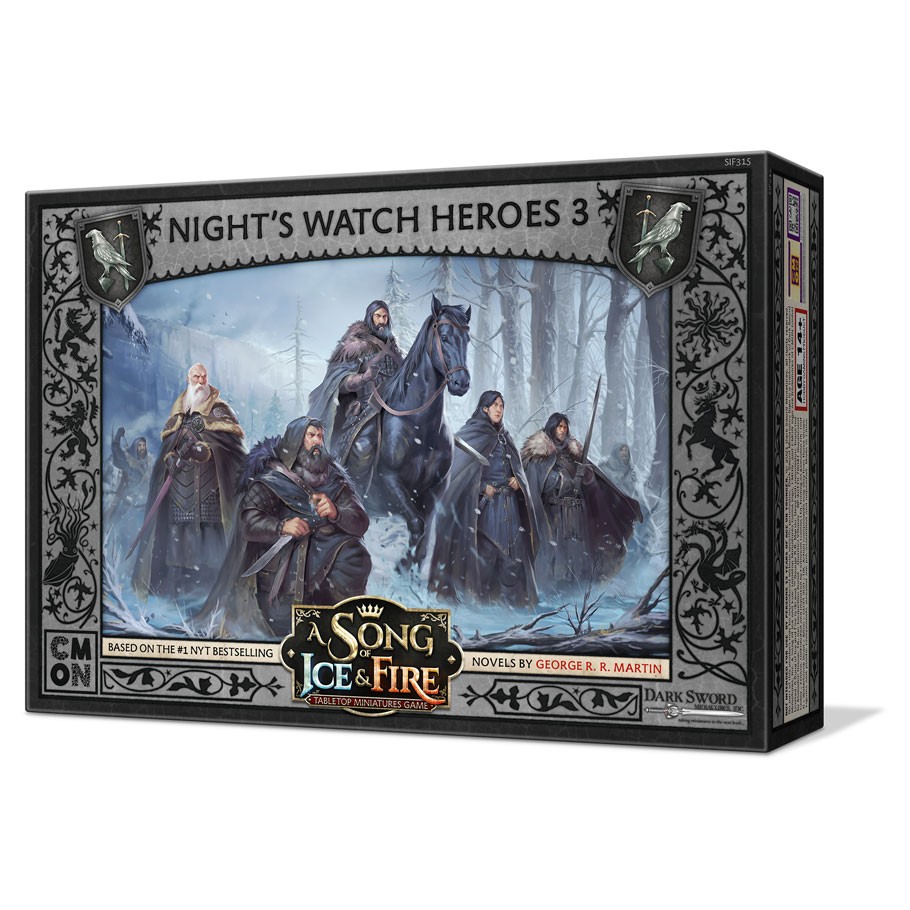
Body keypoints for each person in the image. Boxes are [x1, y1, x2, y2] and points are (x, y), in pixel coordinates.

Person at [198, 417, 371, 639]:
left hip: (329, 552)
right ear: (296, 440)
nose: (317, 441)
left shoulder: (335, 479)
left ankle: (346, 625)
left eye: (320, 436)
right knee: (284, 621)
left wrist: (336, 512)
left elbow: (360, 522)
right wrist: (282, 526)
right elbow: (249, 522)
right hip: (285, 562)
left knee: (354, 555)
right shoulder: (273, 476)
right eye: (311, 435)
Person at [131, 363, 246, 604]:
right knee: (178, 543)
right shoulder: (178, 414)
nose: (201, 381)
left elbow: (232, 452)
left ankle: (211, 592)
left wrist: (207, 451)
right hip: (179, 492)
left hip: (210, 493)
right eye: (196, 377)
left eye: (204, 377)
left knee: (211, 544)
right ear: (188, 379)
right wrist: (169, 459)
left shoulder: (220, 411)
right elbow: (168, 448)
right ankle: (175, 591)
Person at [429, 391, 537, 608]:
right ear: (484, 408)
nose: (499, 409)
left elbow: (517, 470)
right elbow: (454, 476)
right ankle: (482, 611)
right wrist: (481, 487)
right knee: (484, 561)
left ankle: (511, 612)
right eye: (494, 405)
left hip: (510, 509)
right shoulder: (470, 435)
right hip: (484, 511)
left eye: (501, 405)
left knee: (513, 563)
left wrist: (518, 481)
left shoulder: (506, 438)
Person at [522, 413, 642, 592]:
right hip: (554, 513)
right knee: (557, 553)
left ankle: (575, 587)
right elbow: (541, 480)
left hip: (577, 512)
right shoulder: (541, 454)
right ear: (552, 427)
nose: (563, 430)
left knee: (577, 551)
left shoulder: (573, 453)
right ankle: (553, 589)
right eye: (559, 426)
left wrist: (585, 475)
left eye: (565, 427)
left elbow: (590, 481)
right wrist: (563, 481)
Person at [308, 300, 404, 491]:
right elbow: (340, 381)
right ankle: (352, 491)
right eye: (378, 316)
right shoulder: (355, 345)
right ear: (370, 317)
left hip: (395, 406)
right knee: (362, 447)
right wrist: (363, 378)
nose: (382, 321)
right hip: (366, 406)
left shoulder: (393, 349)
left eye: (385, 317)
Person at [103, 427, 151, 532]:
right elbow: (115, 447)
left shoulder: (146, 464)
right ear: (135, 446)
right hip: (118, 498)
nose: (142, 448)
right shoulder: (126, 460)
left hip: (133, 504)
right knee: (108, 522)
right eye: (139, 445)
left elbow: (146, 484)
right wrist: (118, 435)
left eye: (144, 445)